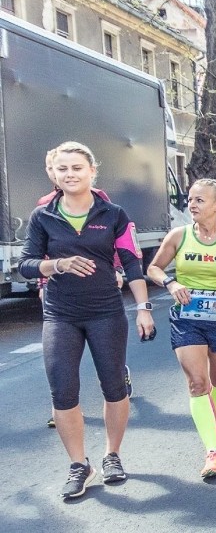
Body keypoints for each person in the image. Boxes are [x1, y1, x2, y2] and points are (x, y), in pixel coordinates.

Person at [19, 142, 155, 499]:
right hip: (61, 314)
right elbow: (26, 264)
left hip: (106, 312)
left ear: (92, 171)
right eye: (62, 169)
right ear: (53, 174)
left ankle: (112, 455)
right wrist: (56, 265)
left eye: (77, 168)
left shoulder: (114, 214)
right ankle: (79, 465)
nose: (70, 174)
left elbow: (131, 262)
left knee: (114, 386)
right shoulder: (42, 216)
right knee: (63, 391)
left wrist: (143, 307)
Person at [147, 178, 216, 479]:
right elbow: (153, 268)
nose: (191, 205)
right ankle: (213, 452)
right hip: (187, 317)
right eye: (190, 200)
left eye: (199, 200)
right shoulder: (178, 236)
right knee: (198, 382)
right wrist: (171, 283)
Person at [38, 150, 132, 429]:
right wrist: (43, 282)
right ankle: (62, 403)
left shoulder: (100, 199)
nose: (64, 173)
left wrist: (116, 269)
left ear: (90, 170)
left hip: (100, 293)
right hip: (59, 290)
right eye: (55, 168)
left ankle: (118, 375)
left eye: (75, 167)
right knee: (60, 362)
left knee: (108, 363)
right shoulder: (44, 206)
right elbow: (43, 251)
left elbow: (110, 240)